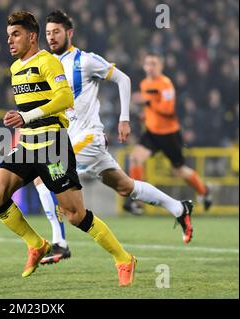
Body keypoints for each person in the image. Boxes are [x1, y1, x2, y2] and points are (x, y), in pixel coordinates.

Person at [0, 11, 136, 287]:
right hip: (27, 145)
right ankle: (36, 244)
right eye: (8, 36)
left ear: (32, 37)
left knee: (76, 215)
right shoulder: (15, 68)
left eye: (15, 34)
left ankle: (123, 258)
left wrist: (26, 117)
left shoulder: (48, 62)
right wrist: (21, 120)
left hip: (53, 146)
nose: (10, 41)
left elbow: (65, 97)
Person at [35, 10, 194, 264]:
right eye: (48, 33)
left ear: (69, 33)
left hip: (88, 137)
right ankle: (179, 207)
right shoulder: (45, 65)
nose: (52, 37)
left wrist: (123, 118)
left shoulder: (85, 61)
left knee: (41, 174)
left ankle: (60, 243)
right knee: (125, 187)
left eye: (57, 32)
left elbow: (123, 79)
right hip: (72, 140)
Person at [126, 52, 212, 214]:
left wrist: (148, 101)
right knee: (135, 158)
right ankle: (138, 202)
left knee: (179, 170)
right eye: (148, 64)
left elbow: (168, 110)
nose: (150, 67)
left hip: (169, 134)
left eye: (154, 64)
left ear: (161, 66)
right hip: (152, 132)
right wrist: (144, 115)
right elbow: (151, 110)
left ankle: (204, 191)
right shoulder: (145, 83)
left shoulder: (166, 84)